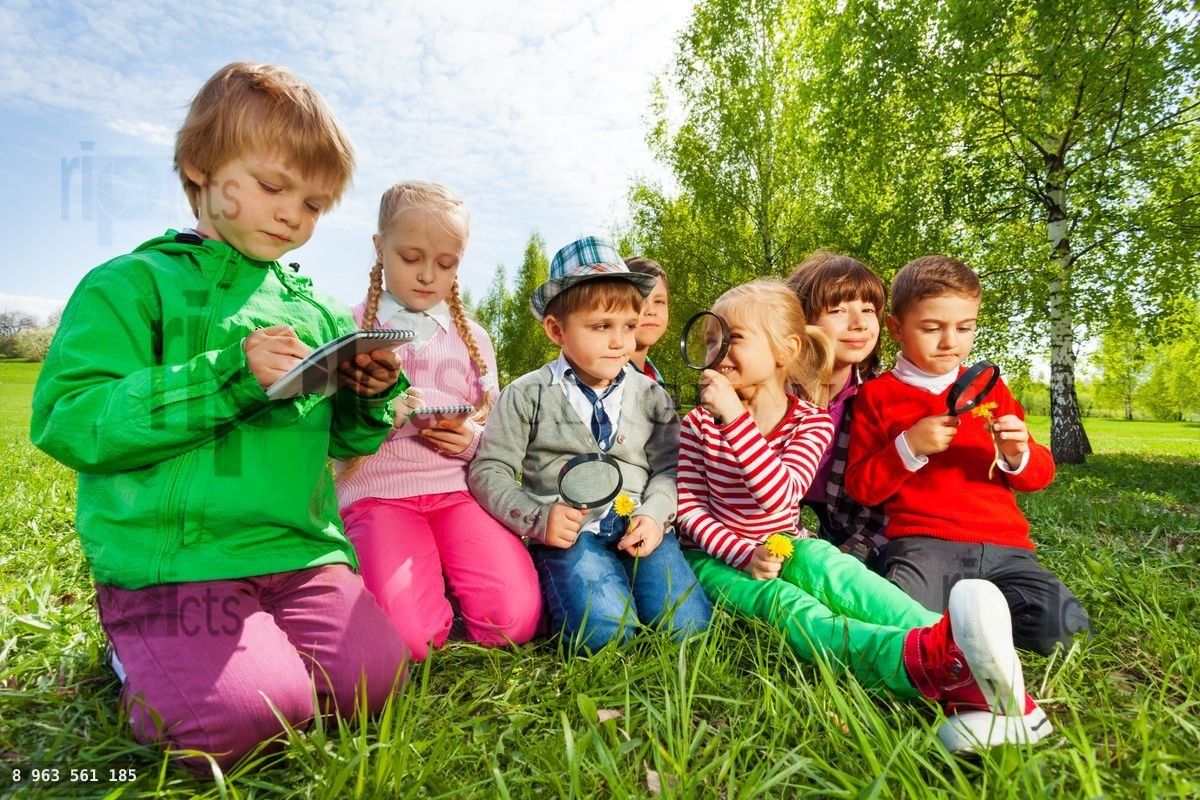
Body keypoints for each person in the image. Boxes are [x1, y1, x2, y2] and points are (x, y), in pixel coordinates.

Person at [29, 62, 408, 771]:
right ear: (200, 168)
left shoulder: (320, 311)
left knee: (374, 684)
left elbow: (348, 440)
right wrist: (228, 376)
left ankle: (257, 651)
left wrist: (365, 393)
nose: (295, 214)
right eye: (272, 186)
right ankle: (132, 645)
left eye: (315, 203)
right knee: (243, 725)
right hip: (177, 570)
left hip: (298, 556)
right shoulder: (130, 285)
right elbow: (70, 418)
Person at [677, 279, 1052, 751]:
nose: (717, 350)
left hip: (785, 539)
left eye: (733, 338)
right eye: (711, 339)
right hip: (714, 559)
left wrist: (736, 422)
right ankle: (925, 665)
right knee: (791, 609)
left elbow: (779, 498)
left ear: (784, 350)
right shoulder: (697, 424)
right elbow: (687, 505)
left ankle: (956, 643)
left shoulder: (809, 423)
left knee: (843, 576)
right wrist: (739, 552)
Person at [469, 236, 711, 651]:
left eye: (629, 327)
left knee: (689, 628)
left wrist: (655, 517)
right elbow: (488, 469)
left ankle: (619, 586)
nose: (620, 342)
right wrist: (536, 517)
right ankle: (560, 588)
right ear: (556, 329)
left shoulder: (651, 396)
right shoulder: (527, 393)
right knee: (604, 634)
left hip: (639, 527)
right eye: (602, 326)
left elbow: (670, 469)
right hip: (568, 533)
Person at [846, 255, 1092, 655]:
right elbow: (862, 487)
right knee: (901, 631)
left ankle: (976, 622)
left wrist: (1020, 453)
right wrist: (907, 447)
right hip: (925, 545)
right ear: (896, 328)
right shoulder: (876, 396)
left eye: (964, 328)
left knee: (1065, 631)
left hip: (1006, 546)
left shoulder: (990, 388)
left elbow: (1038, 477)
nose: (950, 342)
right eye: (932, 328)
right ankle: (963, 629)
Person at [336, 181, 540, 660]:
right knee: (410, 641)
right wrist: (380, 414)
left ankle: (447, 576)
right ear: (379, 248)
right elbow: (334, 440)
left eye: (445, 264)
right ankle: (420, 586)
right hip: (379, 495)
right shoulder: (348, 329)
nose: (428, 275)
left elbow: (495, 434)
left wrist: (468, 439)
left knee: (515, 621)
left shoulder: (476, 341)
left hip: (458, 492)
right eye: (410, 258)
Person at [785, 252, 890, 566]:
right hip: (780, 508)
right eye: (838, 310)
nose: (859, 323)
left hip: (848, 517)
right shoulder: (772, 392)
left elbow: (886, 510)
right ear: (802, 322)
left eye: (868, 310)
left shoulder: (879, 396)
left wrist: (854, 554)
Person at [624, 255, 670, 386]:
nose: (651, 311)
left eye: (659, 301)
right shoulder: (607, 380)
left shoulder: (654, 377)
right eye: (641, 301)